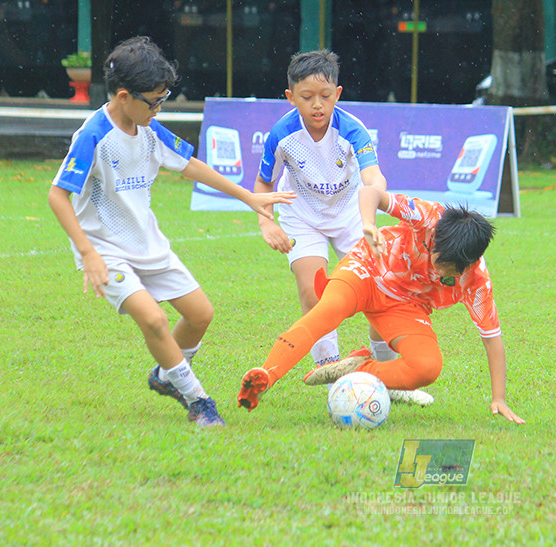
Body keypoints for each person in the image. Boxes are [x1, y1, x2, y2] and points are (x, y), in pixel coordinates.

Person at [47, 36, 295, 427]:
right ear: (125, 96)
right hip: (104, 249)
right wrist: (88, 253)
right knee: (154, 321)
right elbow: (57, 195)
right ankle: (197, 398)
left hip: (146, 242)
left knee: (200, 314)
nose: (159, 108)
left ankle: (166, 376)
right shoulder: (94, 135)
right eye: (154, 101)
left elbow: (190, 165)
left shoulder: (149, 129)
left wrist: (248, 197)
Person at [236, 184, 525, 425]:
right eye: (439, 261)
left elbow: (492, 339)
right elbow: (371, 192)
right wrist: (368, 225)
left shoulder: (476, 281)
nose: (439, 272)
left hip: (404, 307)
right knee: (326, 312)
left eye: (450, 270)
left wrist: (498, 398)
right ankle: (267, 374)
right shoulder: (428, 217)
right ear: (435, 238)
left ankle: (357, 369)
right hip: (367, 268)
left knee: (427, 368)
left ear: (468, 264)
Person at [253, 49, 433, 406]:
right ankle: (329, 367)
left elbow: (373, 176)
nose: (317, 105)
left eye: (325, 96)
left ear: (338, 93)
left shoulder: (353, 130)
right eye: (306, 98)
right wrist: (265, 221)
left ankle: (390, 377)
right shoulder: (281, 135)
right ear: (290, 97)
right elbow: (262, 185)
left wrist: (372, 212)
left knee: (379, 292)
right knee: (312, 288)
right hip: (302, 217)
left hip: (352, 216)